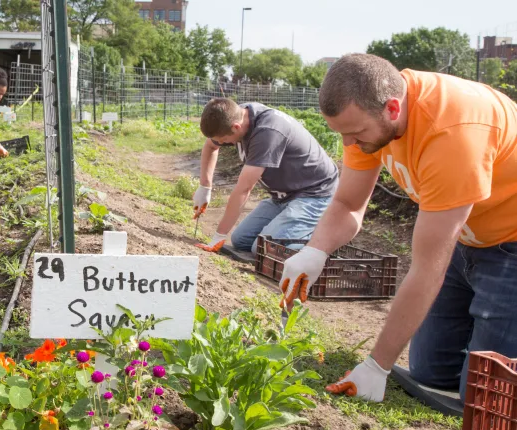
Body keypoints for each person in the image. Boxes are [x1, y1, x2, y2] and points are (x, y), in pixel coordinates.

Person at [279, 53, 517, 403]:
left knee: (485, 398)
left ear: (393, 109)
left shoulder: (452, 133)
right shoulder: (369, 115)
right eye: (342, 133)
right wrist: (315, 250)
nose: (349, 145)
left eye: (355, 133)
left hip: (510, 244)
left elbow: (426, 269)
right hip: (466, 238)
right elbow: (348, 203)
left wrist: (377, 366)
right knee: (429, 374)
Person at [193, 99, 339, 256]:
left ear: (236, 127)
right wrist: (205, 187)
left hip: (315, 194)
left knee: (263, 250)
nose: (221, 143)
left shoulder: (267, 131)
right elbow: (211, 146)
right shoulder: (234, 116)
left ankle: (322, 238)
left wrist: (219, 236)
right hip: (283, 196)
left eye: (223, 140)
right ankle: (296, 228)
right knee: (241, 240)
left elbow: (244, 189)